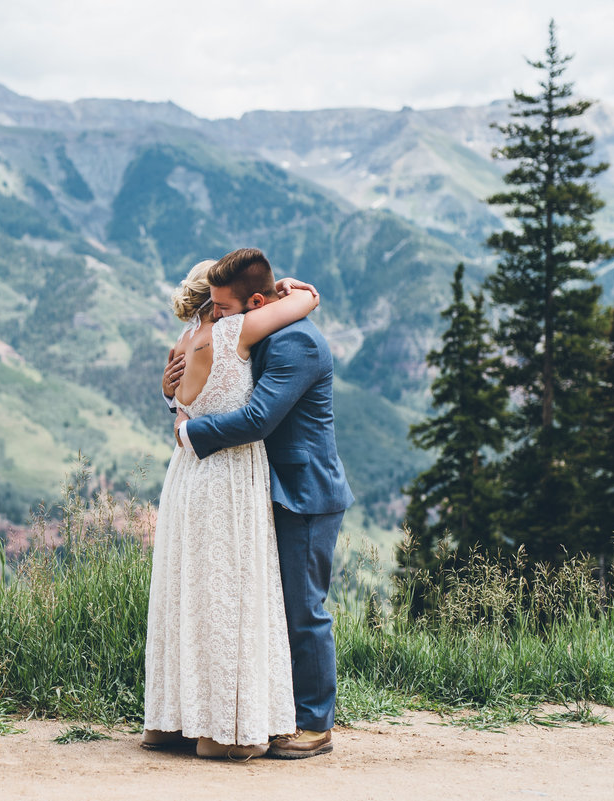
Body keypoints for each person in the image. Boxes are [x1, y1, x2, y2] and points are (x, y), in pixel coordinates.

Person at [162, 248, 353, 759]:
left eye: (224, 308)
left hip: (304, 491)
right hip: (264, 487)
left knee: (303, 610)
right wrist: (174, 392)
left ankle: (315, 724)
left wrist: (189, 433)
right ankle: (275, 714)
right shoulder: (263, 326)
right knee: (269, 606)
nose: (219, 316)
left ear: (253, 300)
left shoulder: (297, 344)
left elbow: (258, 418)